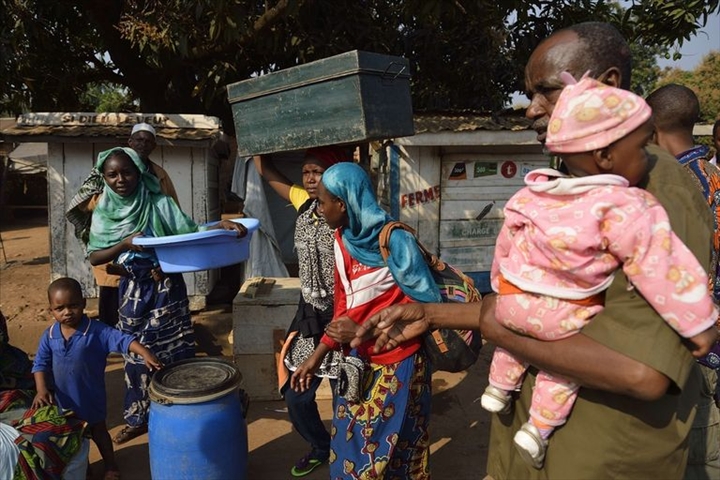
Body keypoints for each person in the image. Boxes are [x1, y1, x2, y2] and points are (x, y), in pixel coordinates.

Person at [351, 21, 715, 479]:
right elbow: (548, 303)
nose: (530, 110)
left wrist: (494, 326)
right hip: (541, 447)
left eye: (546, 92)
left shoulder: (650, 193)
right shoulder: (572, 178)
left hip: (595, 456)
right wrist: (433, 314)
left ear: (607, 85)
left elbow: (644, 373)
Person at [480, 74, 718, 468]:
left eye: (546, 91)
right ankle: (539, 425)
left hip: (514, 305)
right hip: (562, 318)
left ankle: (499, 384)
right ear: (606, 156)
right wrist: (699, 323)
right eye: (643, 146)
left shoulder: (536, 191)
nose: (533, 108)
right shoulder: (624, 205)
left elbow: (506, 248)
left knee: (524, 337)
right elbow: (661, 270)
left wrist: (501, 294)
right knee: (565, 364)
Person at [86, 146, 246, 445]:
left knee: (176, 352)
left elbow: (189, 233)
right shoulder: (104, 211)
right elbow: (96, 257)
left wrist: (218, 225)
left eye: (127, 172)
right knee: (135, 356)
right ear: (104, 177)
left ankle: (183, 413)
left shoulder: (159, 203)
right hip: (133, 293)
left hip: (168, 289)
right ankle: (138, 417)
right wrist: (125, 244)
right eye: (112, 174)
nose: (120, 179)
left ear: (139, 172)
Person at [290, 162, 441, 479]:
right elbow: (343, 310)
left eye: (323, 201)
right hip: (359, 363)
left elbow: (429, 307)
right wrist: (315, 358)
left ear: (342, 204)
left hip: (401, 363)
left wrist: (361, 330)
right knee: (350, 449)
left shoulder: (396, 241)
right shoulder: (341, 241)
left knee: (399, 452)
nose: (319, 208)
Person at [253, 147, 348, 477]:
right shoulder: (305, 204)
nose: (310, 179)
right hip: (310, 315)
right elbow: (266, 170)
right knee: (296, 396)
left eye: (318, 172)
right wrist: (257, 138)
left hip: (344, 317)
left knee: (343, 396)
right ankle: (321, 445)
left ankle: (345, 453)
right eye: (306, 172)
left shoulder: (348, 215)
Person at [646, 83, 720, 478]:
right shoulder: (713, 176)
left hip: (695, 351)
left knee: (696, 458)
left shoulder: (670, 188)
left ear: (651, 129)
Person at [31, 277, 161, 480]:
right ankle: (85, 467)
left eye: (73, 305)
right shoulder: (49, 335)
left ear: (83, 303)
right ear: (51, 310)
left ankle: (110, 465)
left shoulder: (97, 331)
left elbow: (122, 340)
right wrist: (41, 390)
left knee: (99, 432)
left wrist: (144, 352)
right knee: (73, 437)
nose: (67, 312)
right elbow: (39, 364)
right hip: (64, 402)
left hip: (91, 398)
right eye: (60, 308)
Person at [66, 122, 179, 328]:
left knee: (150, 311)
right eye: (139, 139)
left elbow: (173, 210)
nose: (143, 144)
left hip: (147, 256)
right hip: (112, 248)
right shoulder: (106, 170)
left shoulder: (158, 175)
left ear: (154, 145)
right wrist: (112, 208)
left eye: (148, 141)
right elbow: (85, 201)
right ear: (130, 141)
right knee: (111, 304)